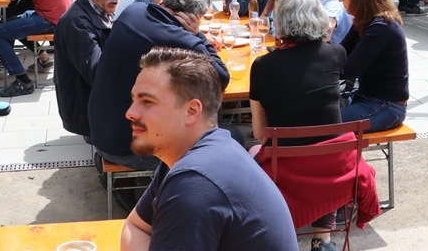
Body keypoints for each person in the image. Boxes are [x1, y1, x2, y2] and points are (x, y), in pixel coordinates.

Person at [120, 48, 296, 251]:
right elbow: (135, 226)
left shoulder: (195, 183)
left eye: (147, 102)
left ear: (192, 111)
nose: (130, 113)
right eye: (134, 100)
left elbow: (135, 230)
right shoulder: (189, 154)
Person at [90, 0, 228, 171]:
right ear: (194, 16)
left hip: (102, 130)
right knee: (223, 142)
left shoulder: (133, 11)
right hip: (126, 147)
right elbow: (221, 78)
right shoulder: (181, 38)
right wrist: (197, 34)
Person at [249, 0, 347, 251]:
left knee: (252, 150)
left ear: (280, 22)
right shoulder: (336, 54)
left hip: (286, 171)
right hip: (333, 169)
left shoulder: (262, 66)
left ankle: (279, 234)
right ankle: (322, 241)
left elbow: (260, 132)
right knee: (322, 150)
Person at [53, 0, 125, 138]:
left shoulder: (101, 10)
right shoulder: (76, 21)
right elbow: (98, 73)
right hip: (90, 115)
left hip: (100, 107)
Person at [338, 0, 409, 132]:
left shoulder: (381, 27)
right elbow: (340, 51)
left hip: (387, 106)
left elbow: (348, 70)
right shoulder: (364, 21)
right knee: (312, 115)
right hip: (365, 97)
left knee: (324, 126)